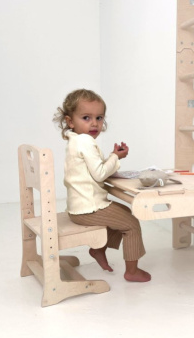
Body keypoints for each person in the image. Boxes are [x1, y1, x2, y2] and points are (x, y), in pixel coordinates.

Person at [53, 89, 151, 282]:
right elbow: (99, 174)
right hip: (89, 208)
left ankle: (99, 249)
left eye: (99, 118)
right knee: (131, 224)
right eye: (86, 117)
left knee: (124, 212)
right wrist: (116, 157)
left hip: (79, 207)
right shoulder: (85, 141)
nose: (94, 123)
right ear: (70, 121)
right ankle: (132, 271)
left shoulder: (75, 141)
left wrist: (112, 158)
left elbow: (92, 170)